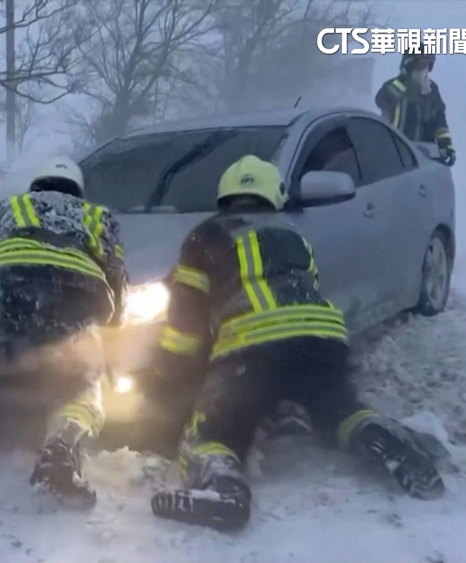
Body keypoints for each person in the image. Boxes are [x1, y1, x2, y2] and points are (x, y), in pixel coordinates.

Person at [147, 155, 445, 531]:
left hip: (250, 350)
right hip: (323, 341)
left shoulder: (204, 237)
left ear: (225, 196)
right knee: (337, 409)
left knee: (212, 434)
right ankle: (376, 431)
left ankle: (224, 490)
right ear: (273, 194)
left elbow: (184, 325)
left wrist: (169, 381)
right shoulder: (293, 236)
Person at [0, 156, 128, 504]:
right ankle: (62, 443)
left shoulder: (10, 206)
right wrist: (111, 323)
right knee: (86, 380)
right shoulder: (100, 216)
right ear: (78, 190)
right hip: (76, 297)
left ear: (36, 185)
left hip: (11, 287)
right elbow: (116, 277)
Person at [375, 51, 455, 165]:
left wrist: (446, 146)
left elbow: (439, 122)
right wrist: (402, 81)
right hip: (394, 152)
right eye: (419, 66)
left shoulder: (431, 90)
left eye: (426, 66)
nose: (422, 70)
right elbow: (381, 101)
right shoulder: (393, 86)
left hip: (422, 156)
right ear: (409, 66)